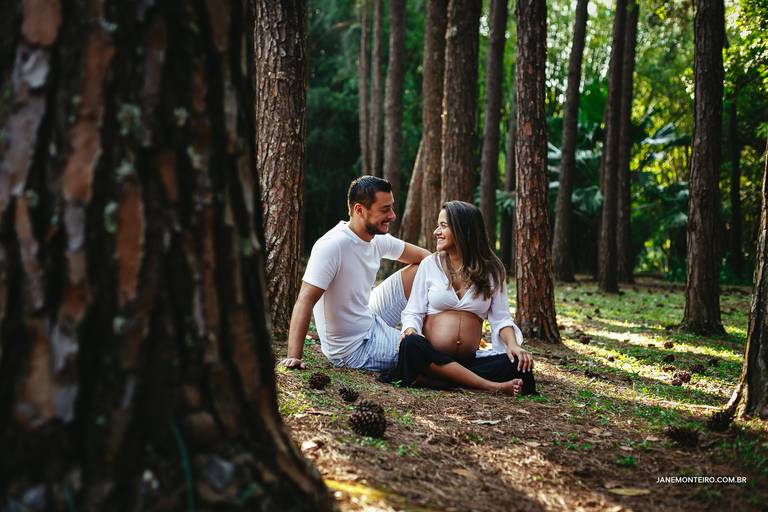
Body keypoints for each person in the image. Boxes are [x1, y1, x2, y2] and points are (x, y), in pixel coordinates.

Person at [381, 201, 536, 396]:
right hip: (431, 355)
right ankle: (488, 386)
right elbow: (414, 311)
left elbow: (501, 318)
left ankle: (434, 380)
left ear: (464, 229)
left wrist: (513, 345)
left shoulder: (492, 271)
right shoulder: (430, 264)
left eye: (443, 226)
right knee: (410, 345)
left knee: (521, 367)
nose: (436, 231)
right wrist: (411, 329)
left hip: (467, 360)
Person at [281, 176, 430, 371]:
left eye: (391, 207)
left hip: (367, 317)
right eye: (385, 209)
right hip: (352, 347)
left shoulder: (375, 238)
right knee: (426, 351)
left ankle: (436, 331)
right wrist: (294, 356)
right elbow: (305, 299)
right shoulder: (333, 246)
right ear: (359, 210)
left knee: (422, 269)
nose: (393, 215)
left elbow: (426, 258)